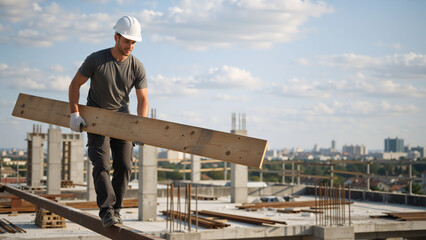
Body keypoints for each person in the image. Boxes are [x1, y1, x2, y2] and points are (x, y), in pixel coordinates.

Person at [68, 16, 148, 227]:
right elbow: (75, 85)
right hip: (96, 118)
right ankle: (106, 210)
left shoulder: (137, 66)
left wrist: (141, 126)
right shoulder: (96, 59)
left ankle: (117, 210)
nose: (130, 46)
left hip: (122, 119)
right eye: (126, 41)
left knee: (124, 165)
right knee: (101, 164)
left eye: (133, 42)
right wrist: (74, 113)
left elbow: (143, 99)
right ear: (116, 37)